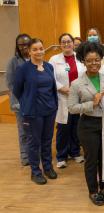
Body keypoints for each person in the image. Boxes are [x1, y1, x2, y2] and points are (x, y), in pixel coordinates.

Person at [68, 41, 104, 206]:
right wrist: (93, 103)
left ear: (101, 59)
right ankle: (93, 191)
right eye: (89, 60)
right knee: (91, 160)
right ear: (83, 61)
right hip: (88, 125)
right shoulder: (76, 84)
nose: (93, 63)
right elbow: (72, 108)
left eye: (96, 59)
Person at [12, 38, 58, 185]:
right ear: (29, 51)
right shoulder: (23, 69)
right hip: (33, 113)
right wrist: (27, 102)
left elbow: (52, 88)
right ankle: (35, 172)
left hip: (49, 110)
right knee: (34, 143)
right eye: (35, 49)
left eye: (41, 48)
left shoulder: (49, 67)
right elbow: (17, 90)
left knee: (46, 141)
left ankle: (48, 167)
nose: (39, 52)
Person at [49, 33, 86, 168]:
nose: (66, 44)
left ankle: (75, 152)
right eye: (63, 42)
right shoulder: (54, 59)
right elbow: (51, 78)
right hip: (63, 97)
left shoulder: (80, 58)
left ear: (72, 43)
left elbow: (86, 75)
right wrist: (62, 88)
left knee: (76, 126)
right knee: (63, 128)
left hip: (78, 98)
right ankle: (61, 156)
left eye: (68, 41)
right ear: (60, 44)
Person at [5, 33, 31, 166]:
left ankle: (34, 153)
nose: (24, 47)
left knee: (34, 130)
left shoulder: (35, 58)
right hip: (20, 103)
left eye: (26, 44)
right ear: (17, 46)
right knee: (23, 131)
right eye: (21, 44)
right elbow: (10, 83)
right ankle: (25, 157)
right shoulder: (13, 61)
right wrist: (16, 102)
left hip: (34, 102)